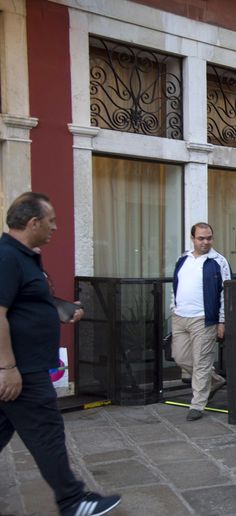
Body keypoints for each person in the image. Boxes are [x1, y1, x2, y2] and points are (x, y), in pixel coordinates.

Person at [0, 192, 121, 516]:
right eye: (51, 221)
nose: (55, 227)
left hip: (25, 368)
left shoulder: (26, 256)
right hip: (22, 371)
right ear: (33, 222)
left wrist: (60, 310)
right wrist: (7, 368)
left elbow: (26, 304)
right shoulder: (7, 257)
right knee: (47, 433)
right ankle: (73, 501)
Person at [171, 222, 231, 421]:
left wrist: (221, 321)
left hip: (204, 318)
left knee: (202, 361)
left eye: (209, 238)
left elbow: (226, 293)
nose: (206, 242)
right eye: (201, 238)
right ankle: (214, 381)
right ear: (193, 238)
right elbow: (176, 286)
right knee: (180, 357)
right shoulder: (183, 259)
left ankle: (197, 404)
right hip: (180, 317)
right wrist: (174, 306)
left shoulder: (218, 261)